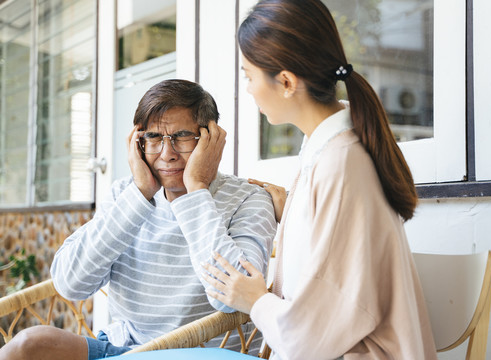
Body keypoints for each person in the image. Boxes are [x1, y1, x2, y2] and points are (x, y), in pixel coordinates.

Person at [200, 1, 438, 359]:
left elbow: (312, 338)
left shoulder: (340, 164)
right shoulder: (331, 153)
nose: (247, 89)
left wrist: (256, 300)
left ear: (285, 82)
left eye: (249, 76)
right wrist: (294, 213)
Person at [0, 79, 277, 360]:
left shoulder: (250, 198)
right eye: (154, 138)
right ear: (138, 142)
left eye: (181, 136)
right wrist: (141, 193)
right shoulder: (126, 194)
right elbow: (70, 283)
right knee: (27, 346)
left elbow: (229, 297)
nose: (167, 155)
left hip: (200, 353)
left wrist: (196, 189)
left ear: (212, 138)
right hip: (124, 350)